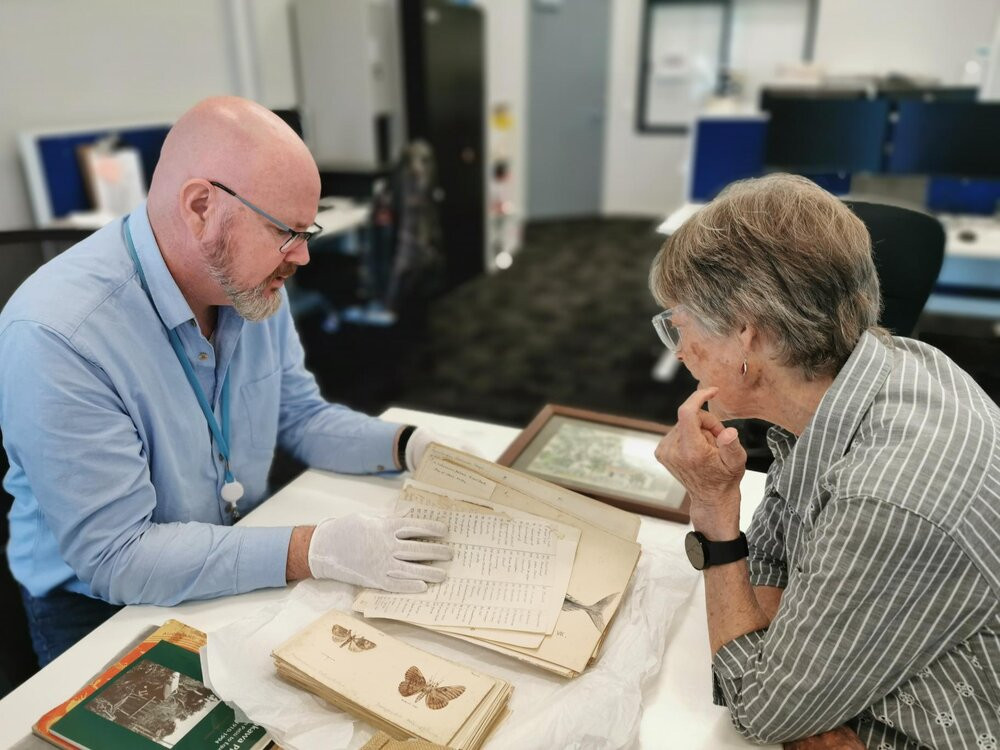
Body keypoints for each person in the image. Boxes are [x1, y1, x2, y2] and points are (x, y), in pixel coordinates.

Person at [0, 97, 464, 666]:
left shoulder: (249, 284)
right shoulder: (60, 334)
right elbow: (120, 557)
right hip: (102, 606)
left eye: (307, 232)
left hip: (236, 544)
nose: (302, 257)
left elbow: (299, 415)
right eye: (285, 232)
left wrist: (410, 445)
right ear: (200, 207)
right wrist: (311, 549)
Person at [649, 174, 999, 749]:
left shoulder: (887, 498)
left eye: (679, 326)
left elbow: (761, 714)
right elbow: (778, 558)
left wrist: (714, 511)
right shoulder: (885, 367)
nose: (679, 350)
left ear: (746, 334)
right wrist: (787, 667)